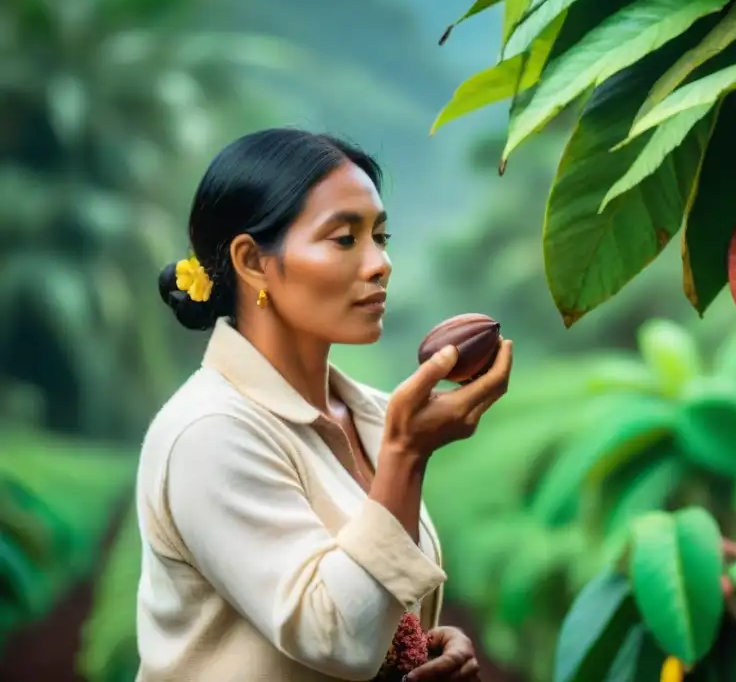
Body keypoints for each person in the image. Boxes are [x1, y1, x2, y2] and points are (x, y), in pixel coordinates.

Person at [138, 128, 513, 681]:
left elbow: (368, 610)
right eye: (344, 239)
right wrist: (407, 453)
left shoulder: (373, 415)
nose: (380, 264)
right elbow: (336, 636)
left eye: (381, 237)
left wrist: (418, 646)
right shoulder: (210, 432)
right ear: (253, 262)